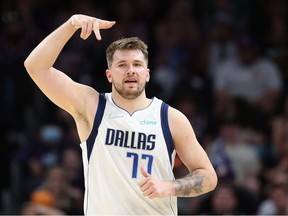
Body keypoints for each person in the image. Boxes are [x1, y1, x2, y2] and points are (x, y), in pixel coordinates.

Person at [24, 14, 217, 215]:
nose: (130, 71)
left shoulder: (170, 118)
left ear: (147, 73)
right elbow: (35, 67)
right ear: (109, 74)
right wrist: (72, 24)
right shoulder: (92, 105)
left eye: (137, 64)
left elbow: (209, 177)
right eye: (122, 65)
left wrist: (171, 187)